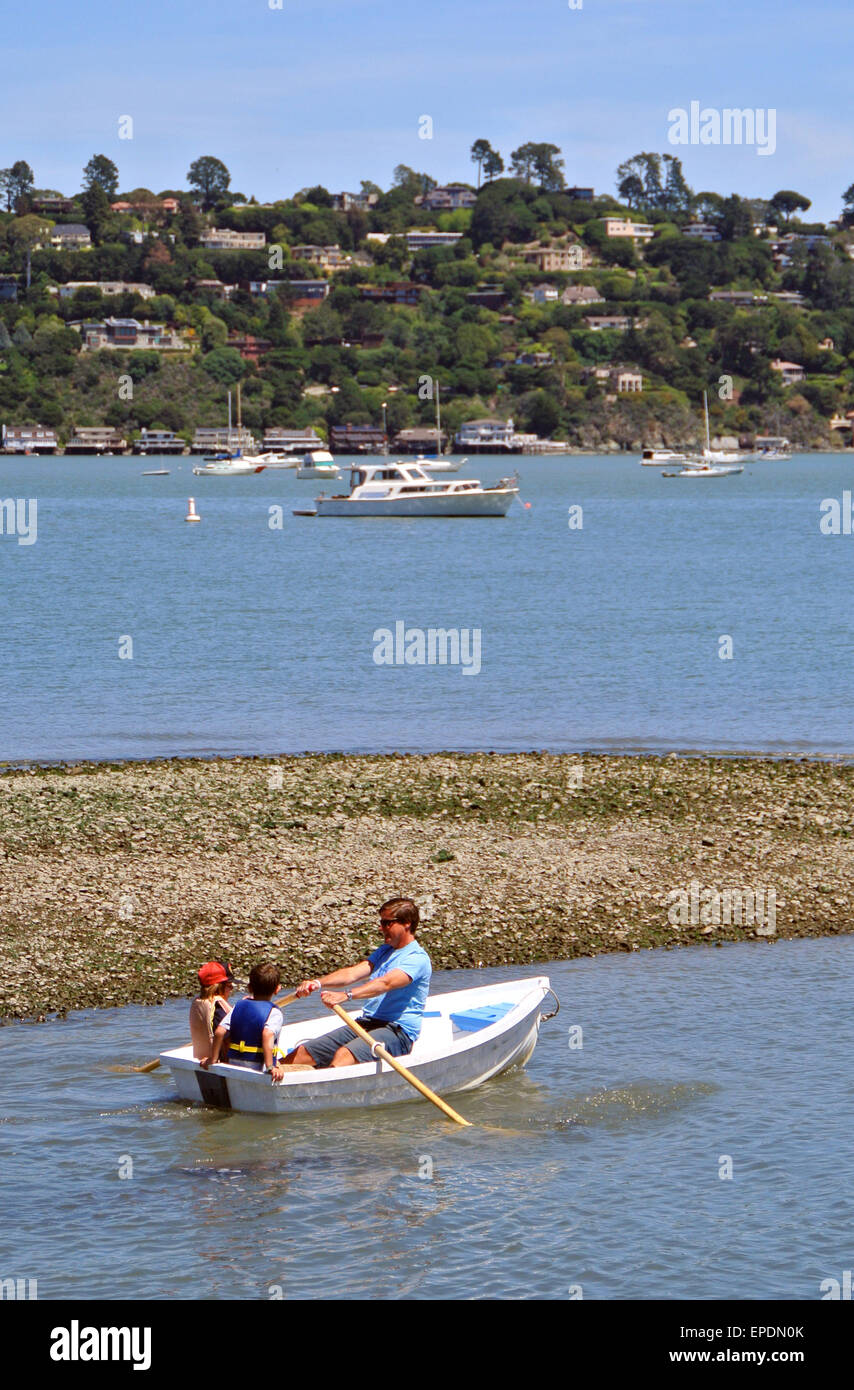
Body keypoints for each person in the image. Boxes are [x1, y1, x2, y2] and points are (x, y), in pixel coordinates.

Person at [284, 898, 431, 1069]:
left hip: (397, 1032)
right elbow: (351, 973)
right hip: (367, 1023)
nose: (381, 928)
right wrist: (317, 983)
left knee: (343, 1056)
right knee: (299, 1054)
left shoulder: (417, 958)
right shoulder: (385, 951)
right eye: (381, 922)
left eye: (387, 923)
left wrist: (347, 996)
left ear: (407, 924)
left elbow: (385, 983)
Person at [202, 961, 285, 1078]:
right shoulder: (274, 1012)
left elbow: (219, 1032)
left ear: (249, 987)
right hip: (258, 1066)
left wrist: (213, 1059)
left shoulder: (238, 1006)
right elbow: (267, 1035)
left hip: (235, 1064)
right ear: (277, 989)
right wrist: (270, 1066)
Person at [189, 961, 235, 1061]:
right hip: (218, 1060)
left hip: (201, 1057)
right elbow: (227, 1040)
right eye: (229, 986)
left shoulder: (198, 1002)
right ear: (218, 987)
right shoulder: (218, 1008)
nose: (232, 989)